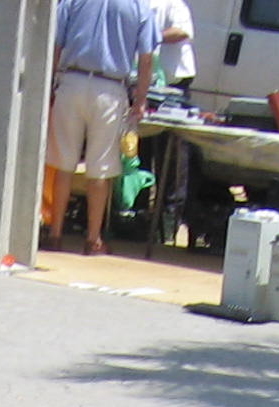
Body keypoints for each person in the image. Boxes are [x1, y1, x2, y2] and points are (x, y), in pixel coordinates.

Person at [43, 0, 156, 256]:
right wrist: (140, 100)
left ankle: (55, 233)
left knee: (63, 164)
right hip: (110, 87)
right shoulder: (139, 6)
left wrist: (51, 83)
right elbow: (146, 59)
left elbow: (56, 45)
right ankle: (93, 239)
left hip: (71, 81)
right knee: (101, 168)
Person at [153, 0, 196, 89]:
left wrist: (151, 37)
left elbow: (181, 32)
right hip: (152, 75)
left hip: (175, 77)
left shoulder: (176, 4)